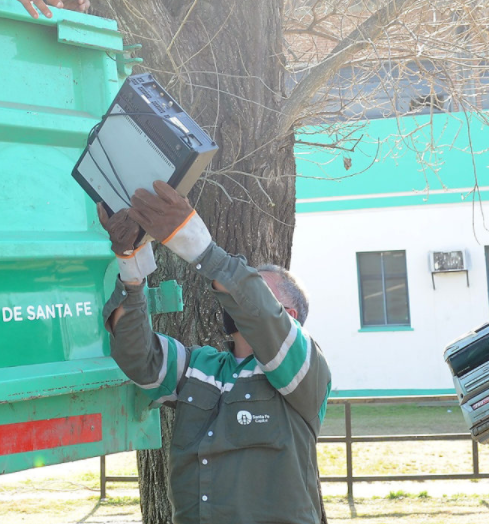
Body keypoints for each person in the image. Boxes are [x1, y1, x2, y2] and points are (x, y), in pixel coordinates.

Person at [98, 181, 331, 524]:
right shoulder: (201, 368)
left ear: (289, 317)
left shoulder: (306, 369)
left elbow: (261, 314)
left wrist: (192, 240)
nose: (233, 292)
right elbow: (138, 358)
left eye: (256, 287)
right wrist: (130, 263)